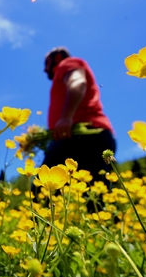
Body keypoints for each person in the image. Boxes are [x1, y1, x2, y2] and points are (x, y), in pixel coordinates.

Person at [42, 47, 116, 184]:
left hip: (81, 136)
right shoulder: (61, 73)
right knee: (93, 192)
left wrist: (65, 118)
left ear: (57, 57)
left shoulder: (66, 63)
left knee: (46, 188)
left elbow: (78, 82)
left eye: (46, 63)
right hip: (82, 136)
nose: (44, 69)